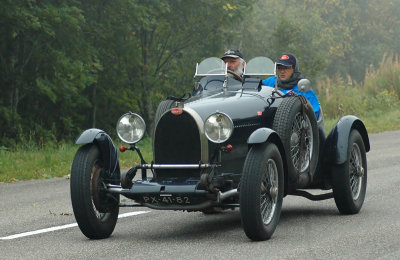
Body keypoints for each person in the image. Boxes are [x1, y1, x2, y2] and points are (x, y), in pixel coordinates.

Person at [262, 54, 320, 118]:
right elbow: (257, 87)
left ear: (294, 69)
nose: (282, 71)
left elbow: (314, 114)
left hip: (295, 125)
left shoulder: (302, 86)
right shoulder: (272, 81)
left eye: (286, 68)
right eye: (280, 68)